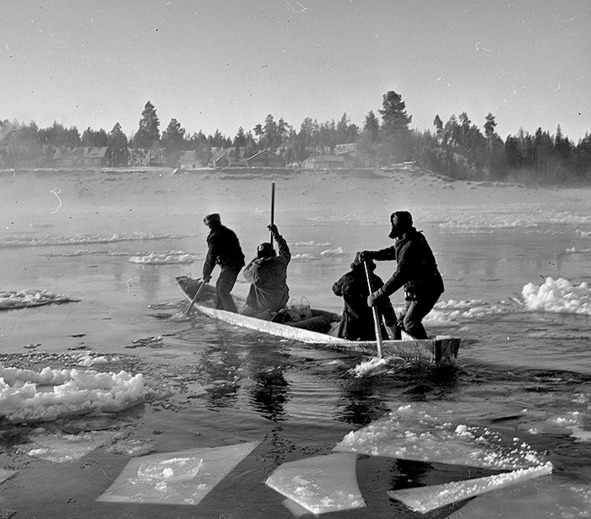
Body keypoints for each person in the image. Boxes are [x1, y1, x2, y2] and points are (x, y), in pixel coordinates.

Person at [360, 211, 444, 339]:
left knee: (410, 322)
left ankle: (429, 351)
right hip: (416, 290)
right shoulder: (409, 239)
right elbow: (395, 251)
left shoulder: (411, 245)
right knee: (401, 323)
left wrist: (377, 295)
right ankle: (403, 347)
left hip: (427, 290)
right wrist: (373, 254)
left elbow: (400, 276)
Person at [332, 253, 397, 341]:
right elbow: (385, 305)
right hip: (372, 330)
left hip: (349, 329)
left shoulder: (347, 279)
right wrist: (390, 320)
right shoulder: (376, 280)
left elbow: (336, 290)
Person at [241, 224, 291, 319]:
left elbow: (245, 272)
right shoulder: (281, 262)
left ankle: (252, 308)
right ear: (272, 253)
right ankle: (278, 309)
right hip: (281, 300)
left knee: (253, 284)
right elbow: (285, 251)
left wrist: (256, 259)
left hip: (264, 305)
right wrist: (276, 234)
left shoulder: (256, 269)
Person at [202, 213, 245, 313]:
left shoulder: (214, 236)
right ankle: (220, 308)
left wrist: (206, 273)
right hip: (235, 263)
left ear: (210, 224)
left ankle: (232, 313)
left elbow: (211, 256)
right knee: (220, 286)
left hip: (230, 264)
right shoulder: (228, 232)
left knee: (222, 289)